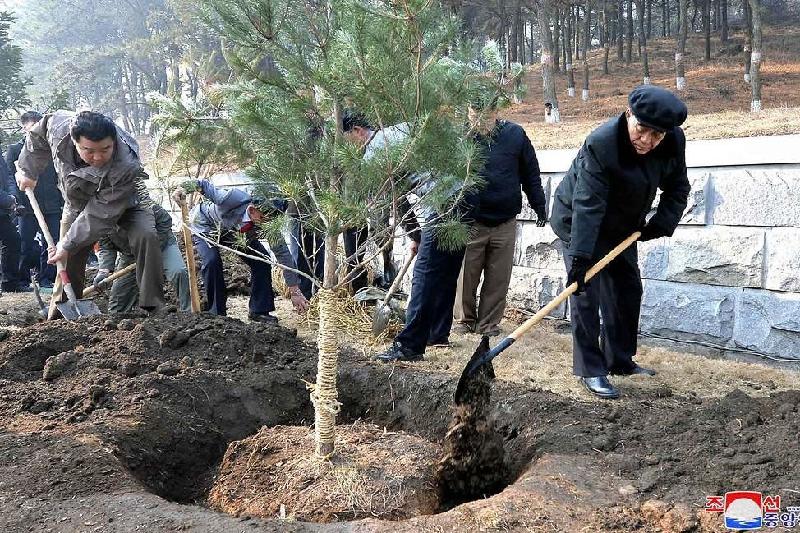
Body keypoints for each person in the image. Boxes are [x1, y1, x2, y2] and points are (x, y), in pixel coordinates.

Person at [550, 85, 690, 399]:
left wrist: (661, 223)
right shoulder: (601, 144)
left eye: (657, 136)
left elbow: (678, 187)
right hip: (579, 221)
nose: (648, 141)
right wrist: (580, 258)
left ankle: (620, 360)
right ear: (628, 115)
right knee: (586, 292)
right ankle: (591, 369)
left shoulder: (672, 141)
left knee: (628, 289)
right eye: (642, 130)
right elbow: (587, 203)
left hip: (623, 226)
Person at [342, 112, 467, 363]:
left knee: (424, 274)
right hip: (466, 193)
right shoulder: (401, 127)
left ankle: (409, 346)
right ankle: (437, 332)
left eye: (345, 139)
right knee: (446, 270)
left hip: (442, 201)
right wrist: (418, 235)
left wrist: (415, 235)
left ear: (356, 130)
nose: (346, 146)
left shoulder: (375, 152)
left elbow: (396, 200)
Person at [14, 110, 165, 318]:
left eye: (106, 149)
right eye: (89, 150)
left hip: (126, 201)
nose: (98, 157)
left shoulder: (126, 163)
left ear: (113, 141)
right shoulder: (57, 126)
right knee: (66, 257)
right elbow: (36, 138)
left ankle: (153, 307)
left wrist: (67, 243)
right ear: (74, 140)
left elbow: (100, 215)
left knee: (146, 235)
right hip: (76, 202)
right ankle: (61, 317)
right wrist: (27, 170)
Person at [453, 98, 547, 337]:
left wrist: (539, 206)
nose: (480, 116)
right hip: (470, 221)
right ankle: (464, 321)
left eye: (487, 110)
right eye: (476, 109)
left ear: (496, 111)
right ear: (468, 109)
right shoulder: (459, 138)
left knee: (498, 278)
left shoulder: (515, 135)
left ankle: (488, 324)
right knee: (466, 275)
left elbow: (531, 173)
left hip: (504, 219)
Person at [172, 179, 309, 322]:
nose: (266, 223)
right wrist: (183, 188)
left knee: (262, 262)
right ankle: (217, 315)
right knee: (212, 262)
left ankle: (259, 310)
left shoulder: (268, 222)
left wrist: (295, 291)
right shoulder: (231, 197)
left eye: (271, 221)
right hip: (206, 225)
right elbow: (203, 185)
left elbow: (283, 255)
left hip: (236, 233)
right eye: (263, 218)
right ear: (251, 209)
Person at [95, 197, 190, 313]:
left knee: (178, 272)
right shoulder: (103, 220)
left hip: (162, 246)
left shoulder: (145, 206)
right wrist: (104, 271)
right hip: (130, 256)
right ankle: (116, 317)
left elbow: (165, 222)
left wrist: (148, 252)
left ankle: (189, 311)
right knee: (118, 301)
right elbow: (106, 246)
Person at [5, 111, 64, 289]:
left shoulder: (52, 149)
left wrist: (62, 200)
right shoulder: (15, 150)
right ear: (24, 129)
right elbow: (10, 178)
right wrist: (17, 202)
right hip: (27, 207)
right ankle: (21, 279)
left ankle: (47, 278)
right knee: (25, 243)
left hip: (52, 205)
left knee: (52, 242)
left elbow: (59, 176)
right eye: (32, 128)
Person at [0, 157, 25, 293]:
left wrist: (13, 196)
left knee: (13, 240)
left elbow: (8, 176)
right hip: (3, 203)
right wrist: (7, 199)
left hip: (2, 211)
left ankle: (9, 284)